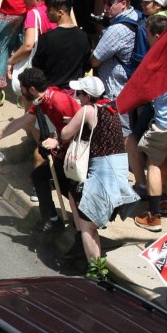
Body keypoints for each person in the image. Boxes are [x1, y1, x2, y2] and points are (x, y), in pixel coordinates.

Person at [55, 76, 132, 265]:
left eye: (79, 94)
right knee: (80, 205)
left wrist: (71, 122)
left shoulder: (88, 109)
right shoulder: (110, 108)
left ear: (88, 96)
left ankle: (96, 271)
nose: (76, 97)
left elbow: (65, 135)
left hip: (102, 174)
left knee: (87, 226)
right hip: (118, 171)